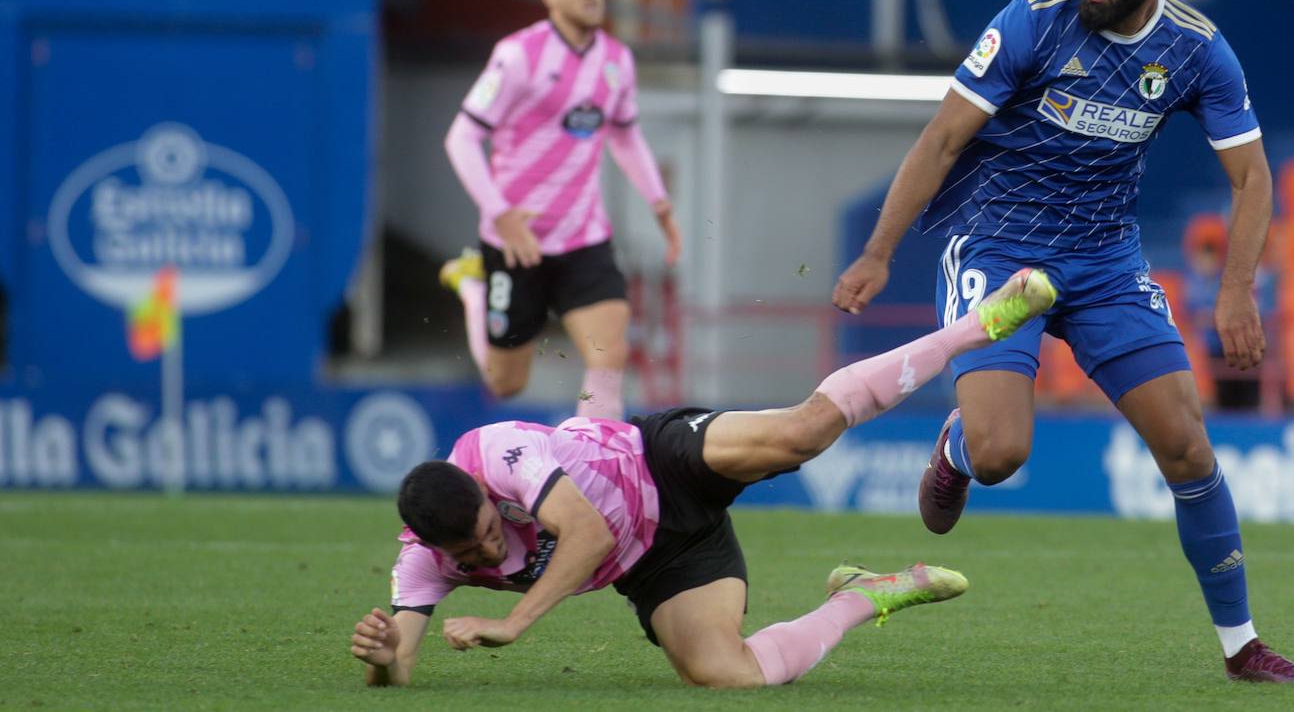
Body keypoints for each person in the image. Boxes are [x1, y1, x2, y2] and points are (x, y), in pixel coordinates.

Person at [833, 0, 1294, 685]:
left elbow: (1253, 178)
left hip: (1105, 262)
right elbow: (944, 137)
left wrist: (1237, 290)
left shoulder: (1198, 50)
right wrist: (878, 251)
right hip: (999, 251)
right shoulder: (1034, 18)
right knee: (1002, 454)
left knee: (1187, 445)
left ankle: (1243, 648)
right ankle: (957, 447)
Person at [349, 268, 1057, 688]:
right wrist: (385, 660)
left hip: (661, 459)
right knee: (730, 676)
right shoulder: (422, 562)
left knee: (801, 434)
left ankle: (979, 324)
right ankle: (865, 594)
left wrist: (513, 622)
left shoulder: (495, 452)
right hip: (661, 559)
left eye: (484, 529)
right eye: (469, 555)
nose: (485, 550)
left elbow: (587, 534)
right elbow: (401, 664)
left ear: (478, 493)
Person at [441, 0, 681, 420]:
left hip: (583, 237)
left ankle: (589, 461)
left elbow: (625, 137)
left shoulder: (617, 61)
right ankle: (473, 289)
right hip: (516, 241)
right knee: (506, 383)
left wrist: (659, 203)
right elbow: (460, 139)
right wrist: (500, 214)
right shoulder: (517, 56)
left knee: (609, 357)